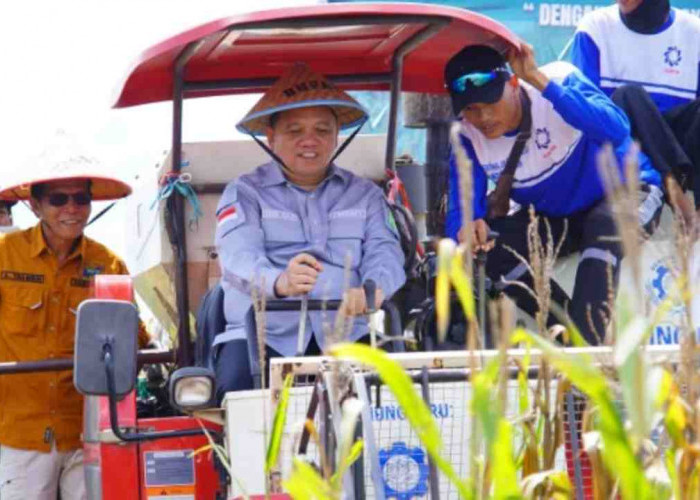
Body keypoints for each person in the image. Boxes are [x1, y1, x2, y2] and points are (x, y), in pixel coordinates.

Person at [444, 43, 662, 345]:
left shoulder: (558, 79)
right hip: (559, 217)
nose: (481, 118)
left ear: (512, 84)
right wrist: (469, 226)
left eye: (489, 103)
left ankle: (584, 355)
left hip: (630, 190)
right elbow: (463, 204)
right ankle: (572, 339)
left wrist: (541, 83)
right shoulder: (466, 134)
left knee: (606, 227)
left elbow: (616, 129)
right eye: (470, 109)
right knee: (489, 251)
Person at [213, 63, 406, 396]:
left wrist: (374, 289)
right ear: (270, 138)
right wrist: (279, 282)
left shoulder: (367, 195)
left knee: (398, 395)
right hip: (261, 337)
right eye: (294, 131)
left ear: (336, 136)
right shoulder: (243, 193)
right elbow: (238, 256)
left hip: (349, 336)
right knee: (237, 396)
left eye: (322, 129)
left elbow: (385, 252)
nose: (310, 141)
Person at [0, 169, 149, 500]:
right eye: (58, 199)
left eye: (81, 198)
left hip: (88, 432)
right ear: (36, 206)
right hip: (18, 433)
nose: (72, 208)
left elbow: (134, 340)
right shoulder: (4, 254)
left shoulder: (109, 265)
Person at [571, 0, 700, 223]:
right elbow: (585, 110)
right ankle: (673, 190)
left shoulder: (694, 33)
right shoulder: (594, 28)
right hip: (624, 149)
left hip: (680, 153)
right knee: (627, 96)